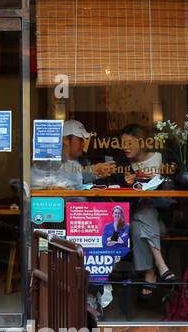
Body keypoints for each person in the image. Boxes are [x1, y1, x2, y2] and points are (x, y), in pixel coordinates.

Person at [94, 124, 175, 291]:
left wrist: (160, 182)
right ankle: (162, 268)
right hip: (135, 218)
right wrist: (126, 185)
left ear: (142, 142)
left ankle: (150, 272)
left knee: (143, 217)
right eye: (122, 143)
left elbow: (173, 194)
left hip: (163, 220)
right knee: (141, 217)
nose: (125, 147)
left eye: (130, 143)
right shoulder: (123, 165)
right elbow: (120, 200)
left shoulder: (161, 159)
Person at [30, 119, 93, 188]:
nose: (84, 144)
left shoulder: (83, 161)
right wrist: (94, 172)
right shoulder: (48, 164)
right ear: (65, 140)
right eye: (81, 139)